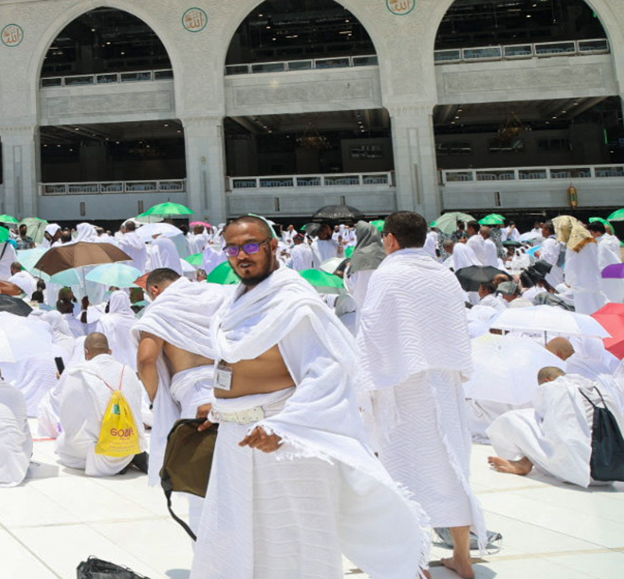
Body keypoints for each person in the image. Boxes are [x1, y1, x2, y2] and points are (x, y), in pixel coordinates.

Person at [193, 216, 428, 579]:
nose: (242, 256)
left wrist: (285, 429)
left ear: (273, 247)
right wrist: (221, 407)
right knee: (234, 537)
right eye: (234, 249)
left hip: (282, 438)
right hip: (235, 438)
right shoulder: (236, 302)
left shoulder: (294, 303)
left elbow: (329, 373)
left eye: (252, 246)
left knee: (293, 543)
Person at [355, 210, 484, 578]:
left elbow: (373, 329)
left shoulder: (388, 274)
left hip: (403, 386)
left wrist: (365, 380)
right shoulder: (443, 275)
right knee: (453, 468)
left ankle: (414, 560)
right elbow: (459, 325)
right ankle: (462, 556)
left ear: (391, 240)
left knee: (404, 474)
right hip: (444, 384)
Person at [132, 267, 225, 517]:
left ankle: (208, 553)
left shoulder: (162, 307)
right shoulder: (218, 295)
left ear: (155, 290)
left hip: (195, 398)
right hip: (233, 390)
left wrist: (156, 398)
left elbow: (146, 360)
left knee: (199, 483)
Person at [487, 367, 624, 486]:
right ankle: (527, 461)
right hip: (612, 471)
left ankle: (525, 462)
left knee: (518, 419)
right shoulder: (597, 388)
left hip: (578, 473)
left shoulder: (554, 387)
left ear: (547, 381)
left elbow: (546, 425)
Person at [48, 334, 147, 476]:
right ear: (110, 352)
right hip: (128, 442)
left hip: (96, 448)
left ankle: (111, 461)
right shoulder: (129, 371)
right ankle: (125, 460)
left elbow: (66, 418)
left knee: (61, 445)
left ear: (86, 353)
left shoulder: (78, 374)